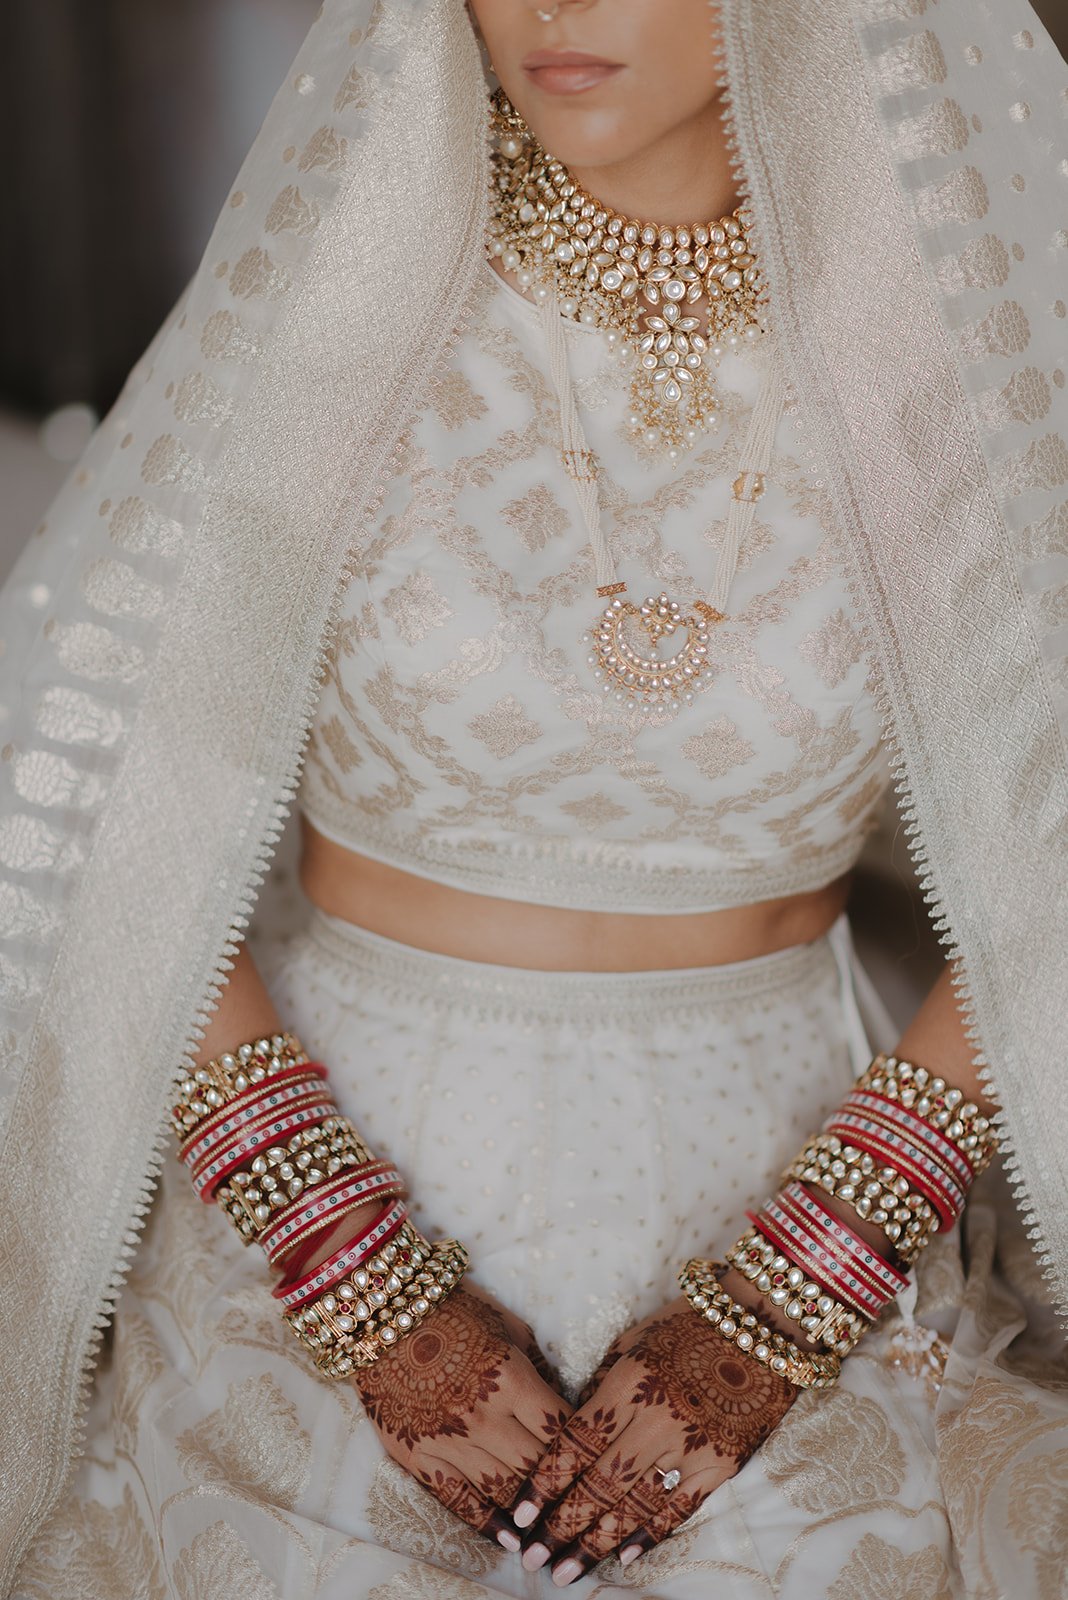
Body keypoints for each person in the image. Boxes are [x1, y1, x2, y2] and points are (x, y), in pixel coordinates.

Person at [2, 1, 1066, 1596]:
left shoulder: (932, 345)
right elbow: (95, 776)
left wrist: (829, 1252)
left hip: (812, 1176)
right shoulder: (362, 280)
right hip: (324, 1160)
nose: (554, 7)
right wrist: (327, 1235)